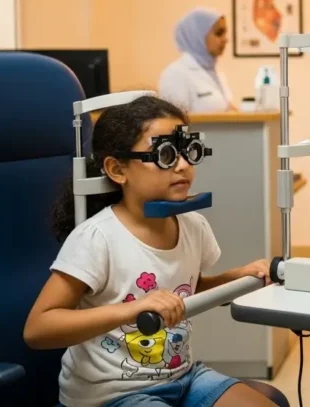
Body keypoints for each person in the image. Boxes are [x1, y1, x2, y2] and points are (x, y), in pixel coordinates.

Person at [23, 96, 276, 407]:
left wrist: (236, 278)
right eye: (165, 154)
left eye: (188, 150)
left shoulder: (192, 225)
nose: (183, 165)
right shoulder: (98, 238)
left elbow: (187, 290)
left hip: (182, 377)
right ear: (118, 170)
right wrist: (134, 310)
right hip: (110, 394)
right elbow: (38, 328)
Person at [159, 9, 236, 113]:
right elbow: (174, 121)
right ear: (198, 35)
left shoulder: (215, 71)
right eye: (219, 33)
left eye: (224, 33)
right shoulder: (175, 74)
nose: (225, 39)